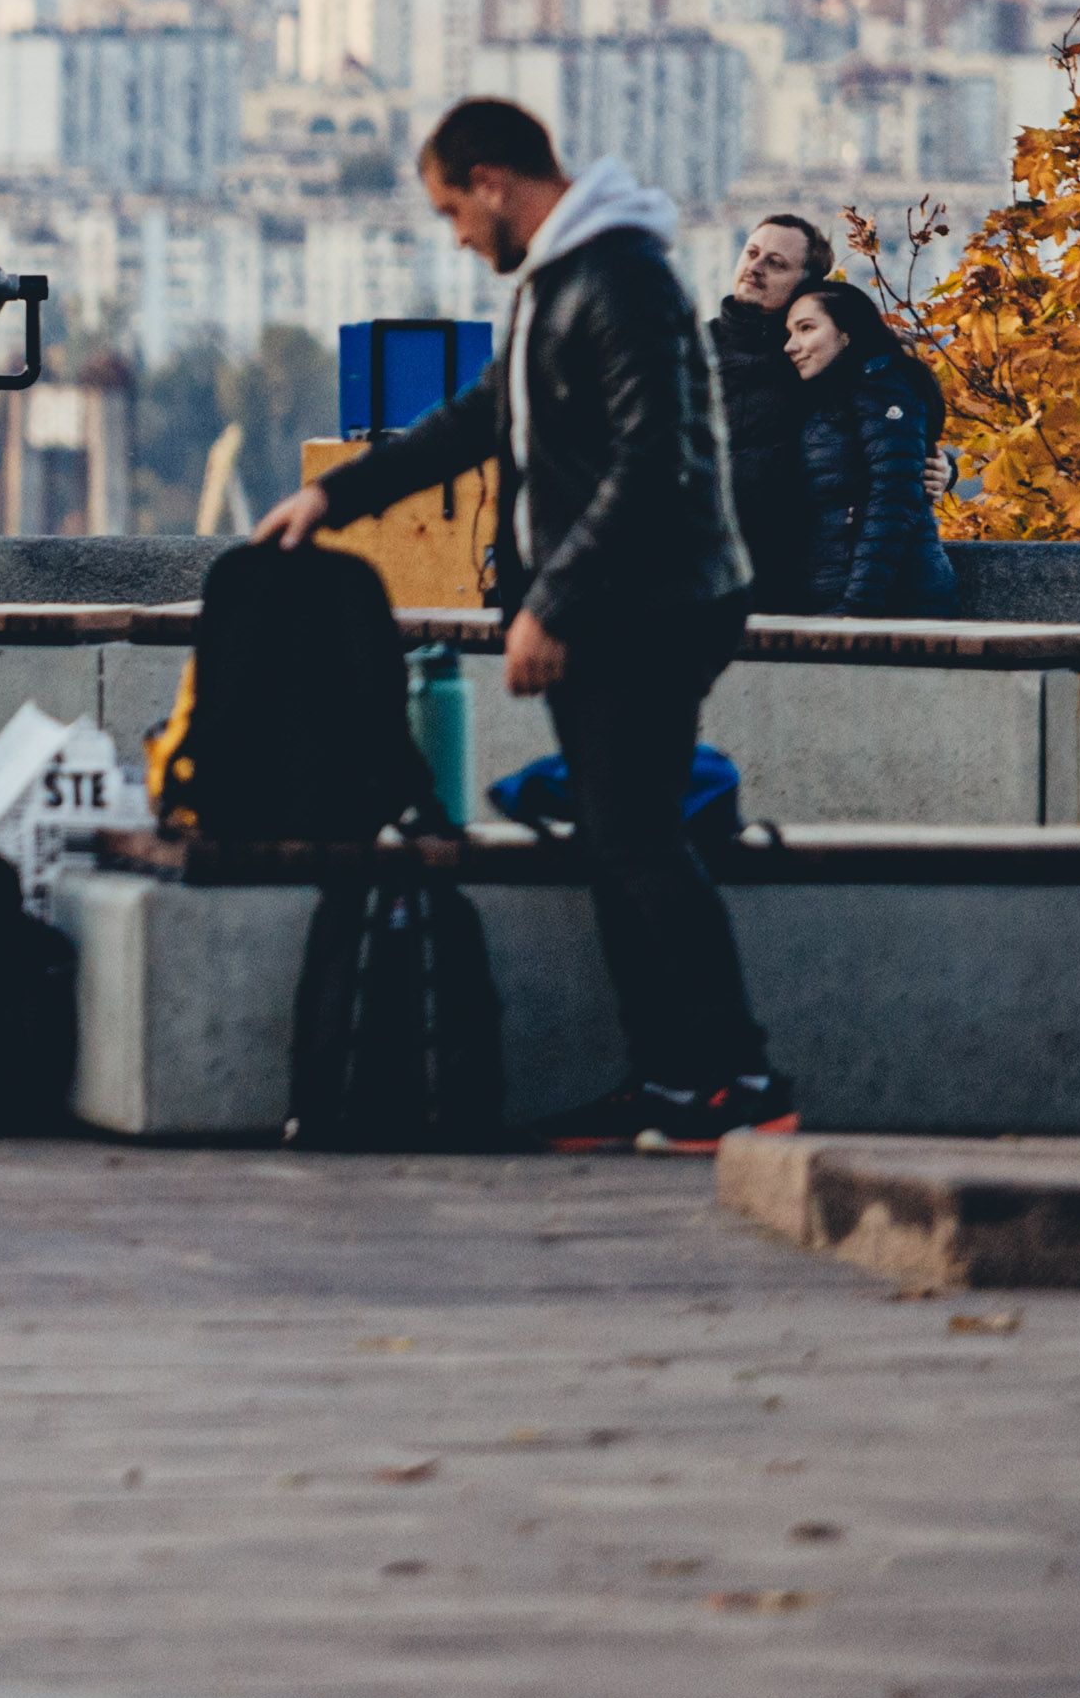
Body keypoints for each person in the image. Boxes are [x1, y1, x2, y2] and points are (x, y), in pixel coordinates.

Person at [255, 95, 794, 1148]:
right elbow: (483, 418)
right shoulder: (563, 276)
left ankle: (738, 1080)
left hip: (656, 603)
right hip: (626, 601)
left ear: (495, 181)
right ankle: (680, 1081)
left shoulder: (618, 276)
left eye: (453, 207)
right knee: (616, 836)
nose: (455, 231)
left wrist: (552, 602)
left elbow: (657, 461)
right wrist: (338, 497)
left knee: (636, 837)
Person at [782, 278, 966, 619]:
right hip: (845, 597)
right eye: (790, 333)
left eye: (806, 329)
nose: (790, 346)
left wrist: (857, 606)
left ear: (846, 333)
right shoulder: (833, 399)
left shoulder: (883, 387)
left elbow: (894, 498)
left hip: (895, 606)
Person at [715, 211, 832, 608]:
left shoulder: (820, 357)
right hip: (689, 576)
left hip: (790, 580)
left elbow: (885, 422)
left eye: (776, 263)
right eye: (752, 253)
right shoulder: (687, 349)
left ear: (806, 284)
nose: (755, 267)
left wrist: (942, 469)